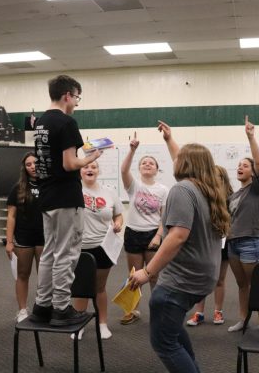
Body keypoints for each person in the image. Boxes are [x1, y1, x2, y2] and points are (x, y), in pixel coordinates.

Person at [129, 143, 231, 373]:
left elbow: (177, 236)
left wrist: (147, 272)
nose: (173, 161)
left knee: (164, 343)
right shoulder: (209, 191)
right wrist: (169, 139)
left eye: (178, 158)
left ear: (185, 163)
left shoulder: (182, 190)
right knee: (172, 333)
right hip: (202, 278)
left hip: (180, 281)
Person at [29, 75, 101, 326]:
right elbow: (70, 163)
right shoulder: (67, 122)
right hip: (66, 197)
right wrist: (91, 157)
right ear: (67, 96)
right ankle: (61, 308)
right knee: (67, 254)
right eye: (77, 98)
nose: (77, 104)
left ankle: (42, 305)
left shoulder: (40, 122)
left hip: (47, 195)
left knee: (49, 252)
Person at [119, 130, 168, 324]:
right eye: (144, 163)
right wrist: (132, 150)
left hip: (152, 235)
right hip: (132, 233)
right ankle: (131, 310)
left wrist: (158, 236)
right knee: (134, 275)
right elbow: (124, 171)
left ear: (157, 169)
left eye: (151, 163)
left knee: (153, 275)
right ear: (139, 168)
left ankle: (157, 311)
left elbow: (164, 217)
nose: (147, 164)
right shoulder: (134, 186)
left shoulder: (163, 190)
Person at [72, 161, 123, 340]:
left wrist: (118, 223)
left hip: (103, 247)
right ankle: (79, 325)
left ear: (98, 171)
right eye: (86, 167)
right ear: (80, 170)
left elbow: (118, 214)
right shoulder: (73, 190)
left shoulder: (109, 191)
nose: (90, 169)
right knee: (81, 288)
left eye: (94, 167)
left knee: (99, 287)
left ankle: (102, 324)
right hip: (80, 247)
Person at [227, 116, 259, 333]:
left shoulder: (257, 189)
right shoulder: (234, 194)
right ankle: (243, 320)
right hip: (233, 244)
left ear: (253, 172)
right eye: (238, 165)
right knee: (242, 285)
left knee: (257, 285)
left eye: (245, 165)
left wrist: (251, 137)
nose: (240, 167)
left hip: (251, 242)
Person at [186, 165, 232, 326]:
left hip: (223, 242)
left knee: (219, 279)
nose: (213, 179)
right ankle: (199, 312)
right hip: (205, 242)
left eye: (217, 176)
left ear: (223, 179)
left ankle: (218, 312)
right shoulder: (203, 196)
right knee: (203, 277)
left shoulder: (230, 198)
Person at [5, 152, 44, 322]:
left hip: (45, 238)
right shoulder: (18, 188)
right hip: (23, 239)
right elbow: (11, 217)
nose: (33, 167)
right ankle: (22, 310)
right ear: (25, 168)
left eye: (35, 163)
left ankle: (43, 308)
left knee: (44, 276)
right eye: (28, 164)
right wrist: (9, 241)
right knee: (22, 275)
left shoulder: (49, 185)